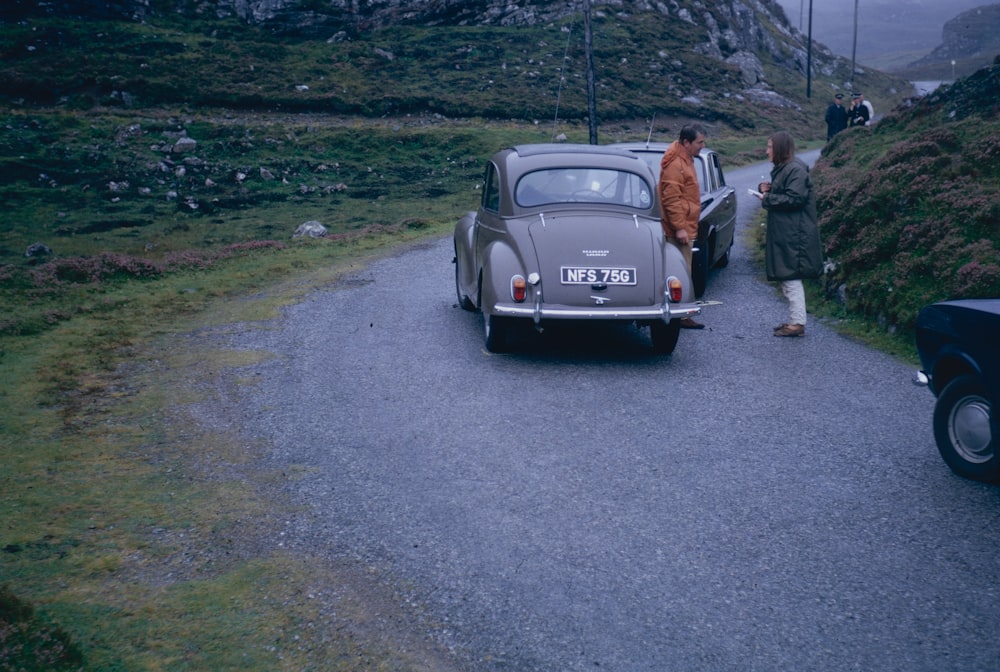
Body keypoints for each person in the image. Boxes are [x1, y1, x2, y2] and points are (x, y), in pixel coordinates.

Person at [755, 132, 823, 337]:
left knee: (791, 276)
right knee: (787, 276)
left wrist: (767, 198)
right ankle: (795, 320)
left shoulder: (794, 169)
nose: (767, 151)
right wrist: (767, 189)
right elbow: (787, 193)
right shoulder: (787, 168)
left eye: (769, 147)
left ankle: (798, 323)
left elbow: (795, 199)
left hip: (794, 233)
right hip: (789, 230)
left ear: (780, 149)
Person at [659, 124, 707, 329]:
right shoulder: (676, 164)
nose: (702, 147)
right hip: (678, 229)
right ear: (686, 142)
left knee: (684, 270)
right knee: (680, 271)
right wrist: (679, 228)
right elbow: (671, 199)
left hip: (686, 225)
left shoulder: (685, 159)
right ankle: (681, 315)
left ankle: (683, 313)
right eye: (699, 142)